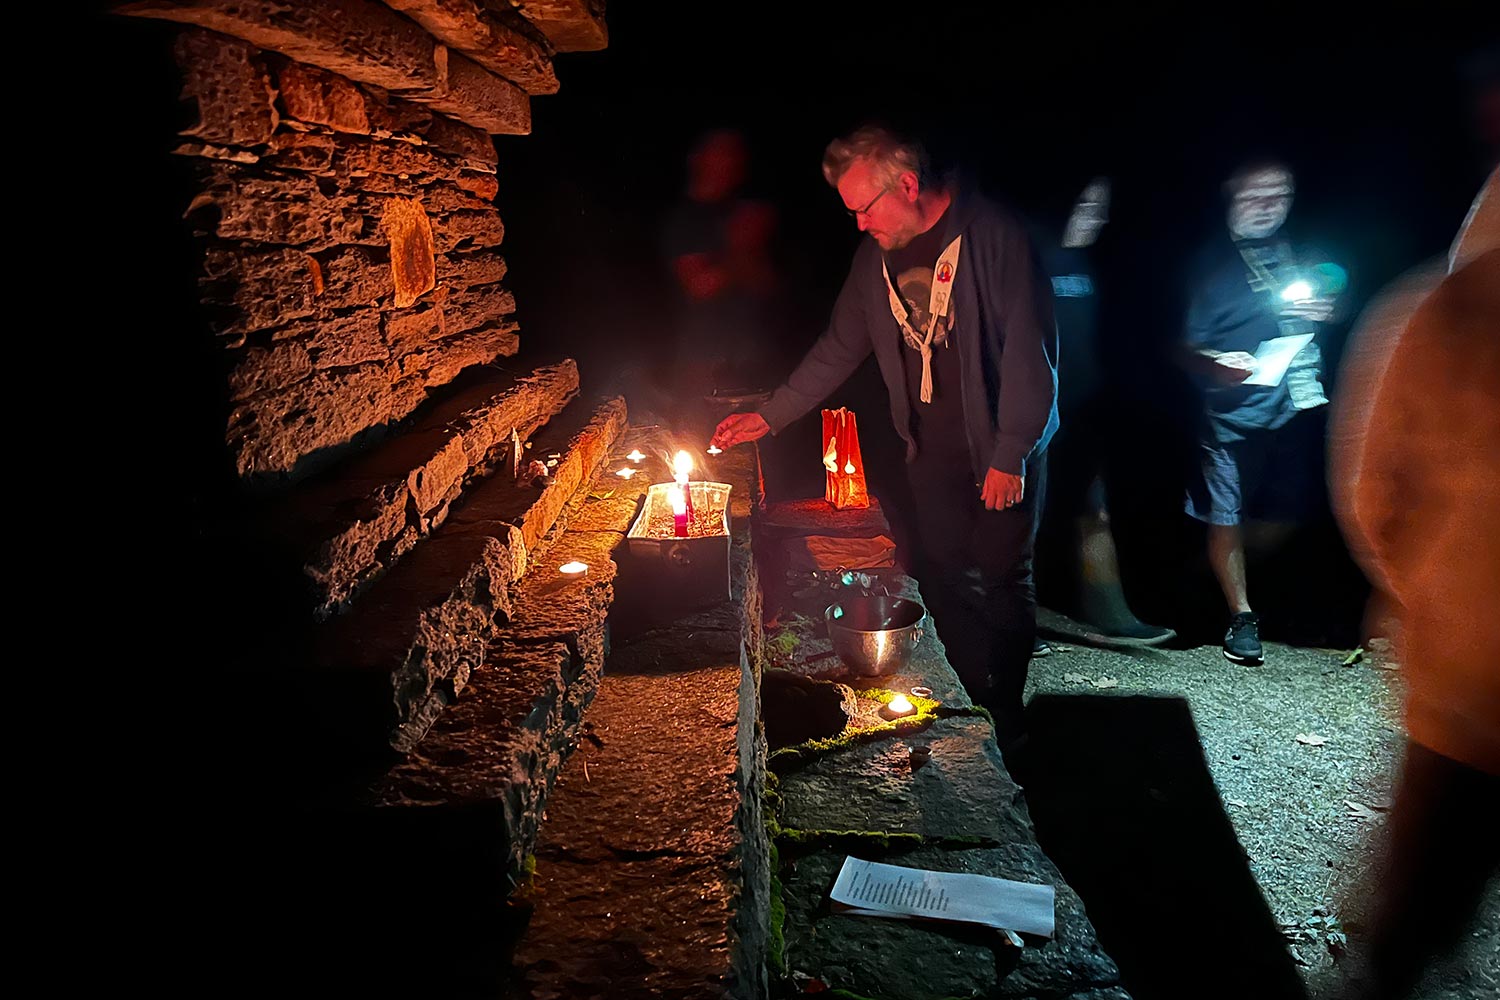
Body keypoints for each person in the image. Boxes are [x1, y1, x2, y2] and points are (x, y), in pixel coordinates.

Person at [711, 125, 1058, 741]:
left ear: (906, 184)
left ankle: (1006, 708)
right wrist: (771, 415)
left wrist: (1011, 452)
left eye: (863, 208)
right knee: (944, 567)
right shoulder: (875, 258)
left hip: (1003, 445)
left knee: (1005, 572)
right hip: (931, 447)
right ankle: (969, 692)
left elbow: (1032, 354)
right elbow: (838, 347)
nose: (858, 224)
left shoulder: (994, 237)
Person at [1330, 169, 1499, 1000]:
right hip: (1473, 666)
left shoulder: (1451, 301)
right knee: (1432, 865)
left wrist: (1420, 596)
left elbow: (1375, 488)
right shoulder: (1456, 306)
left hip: (1469, 670)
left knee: (1430, 866)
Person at [1178, 160, 1339, 665]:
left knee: (1287, 513)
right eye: (1256, 195)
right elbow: (1172, 344)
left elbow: (1323, 296)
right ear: (1231, 196)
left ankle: (1214, 568)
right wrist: (1213, 362)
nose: (1269, 205)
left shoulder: (1294, 251)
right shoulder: (1206, 262)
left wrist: (1326, 310)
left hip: (1291, 404)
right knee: (1225, 514)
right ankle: (1240, 615)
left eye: (1281, 194)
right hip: (1226, 414)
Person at [1035, 177, 1174, 647]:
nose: (1098, 216)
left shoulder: (1086, 263)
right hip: (1035, 413)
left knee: (1093, 513)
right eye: (1088, 205)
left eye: (1103, 207)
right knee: (1023, 520)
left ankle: (1112, 613)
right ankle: (1012, 618)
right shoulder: (1031, 256)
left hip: (1082, 411)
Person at [660, 128, 781, 401]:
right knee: (700, 440)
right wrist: (741, 246)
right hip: (701, 366)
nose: (731, 162)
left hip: (751, 361)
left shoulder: (742, 212)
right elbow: (700, 286)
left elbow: (767, 282)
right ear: (699, 159)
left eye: (735, 154)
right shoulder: (685, 219)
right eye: (722, 153)